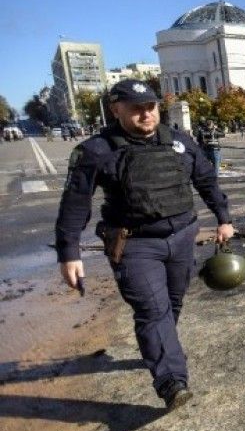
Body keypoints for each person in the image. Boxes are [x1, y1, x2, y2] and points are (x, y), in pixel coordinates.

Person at [55, 79, 234, 411]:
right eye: (136, 109)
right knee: (153, 310)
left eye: (150, 107)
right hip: (134, 244)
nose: (146, 114)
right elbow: (75, 202)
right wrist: (69, 252)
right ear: (116, 110)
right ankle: (171, 383)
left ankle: (160, 348)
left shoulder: (179, 142)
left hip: (182, 238)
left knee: (172, 303)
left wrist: (223, 217)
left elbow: (206, 180)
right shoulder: (96, 151)